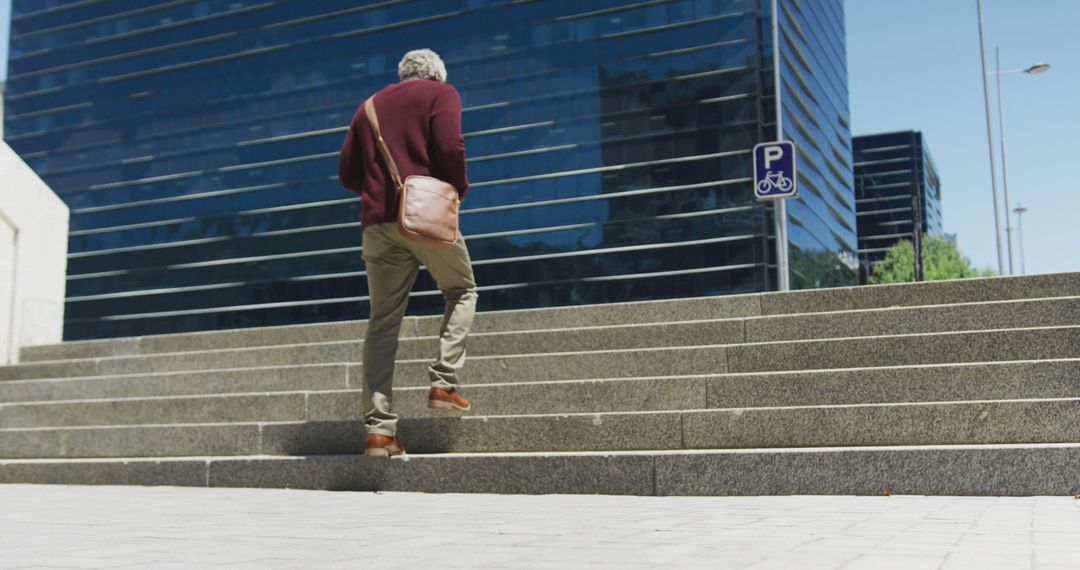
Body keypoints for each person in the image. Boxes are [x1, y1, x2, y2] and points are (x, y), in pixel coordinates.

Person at [338, 49, 477, 457]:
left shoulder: (368, 108)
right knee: (462, 290)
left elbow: (348, 173)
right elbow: (450, 145)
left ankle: (380, 432)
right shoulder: (441, 93)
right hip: (425, 215)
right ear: (436, 74)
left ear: (402, 75)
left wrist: (380, 192)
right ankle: (444, 382)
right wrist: (455, 190)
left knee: (382, 323)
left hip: (377, 224)